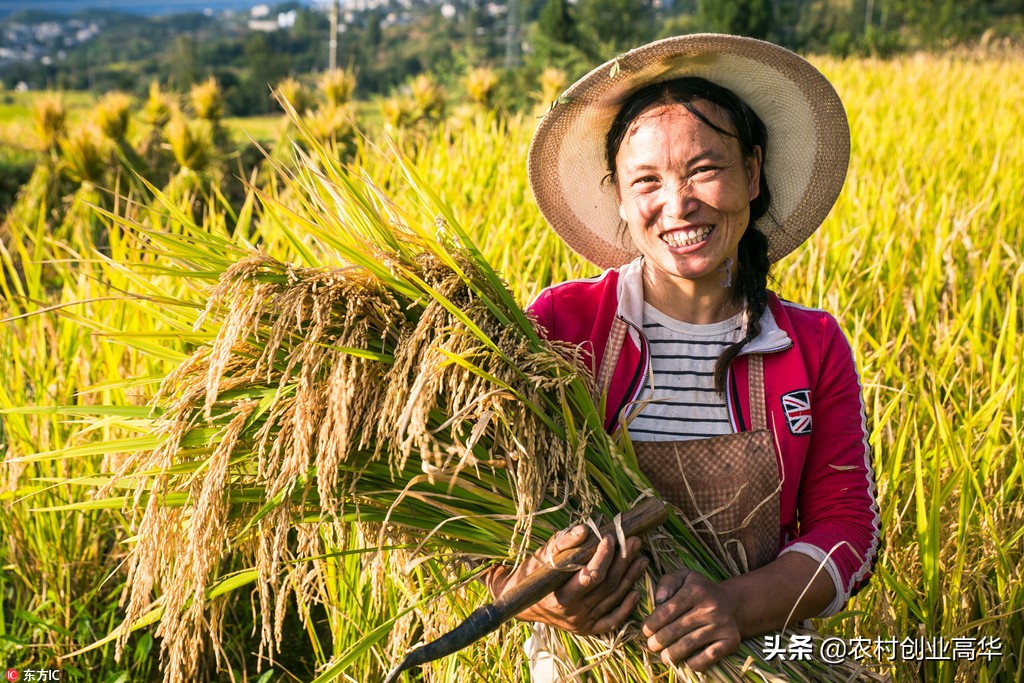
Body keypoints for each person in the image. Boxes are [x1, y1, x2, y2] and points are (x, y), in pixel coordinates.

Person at [484, 34, 881, 676]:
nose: (678, 204)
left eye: (705, 170)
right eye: (648, 181)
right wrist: (542, 598)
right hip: (590, 665)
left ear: (752, 173)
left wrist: (735, 606)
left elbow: (847, 529)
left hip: (758, 657)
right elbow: (482, 507)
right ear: (620, 197)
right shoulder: (563, 326)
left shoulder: (811, 347)